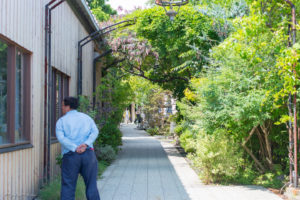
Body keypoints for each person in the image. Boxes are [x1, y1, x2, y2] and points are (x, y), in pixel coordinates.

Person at [56, 97, 100, 200]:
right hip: (88, 155)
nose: (61, 108)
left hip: (70, 156)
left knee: (68, 186)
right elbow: (95, 132)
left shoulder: (61, 121)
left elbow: (61, 138)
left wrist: (74, 147)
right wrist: (86, 144)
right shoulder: (87, 118)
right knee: (91, 185)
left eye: (62, 105)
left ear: (68, 107)